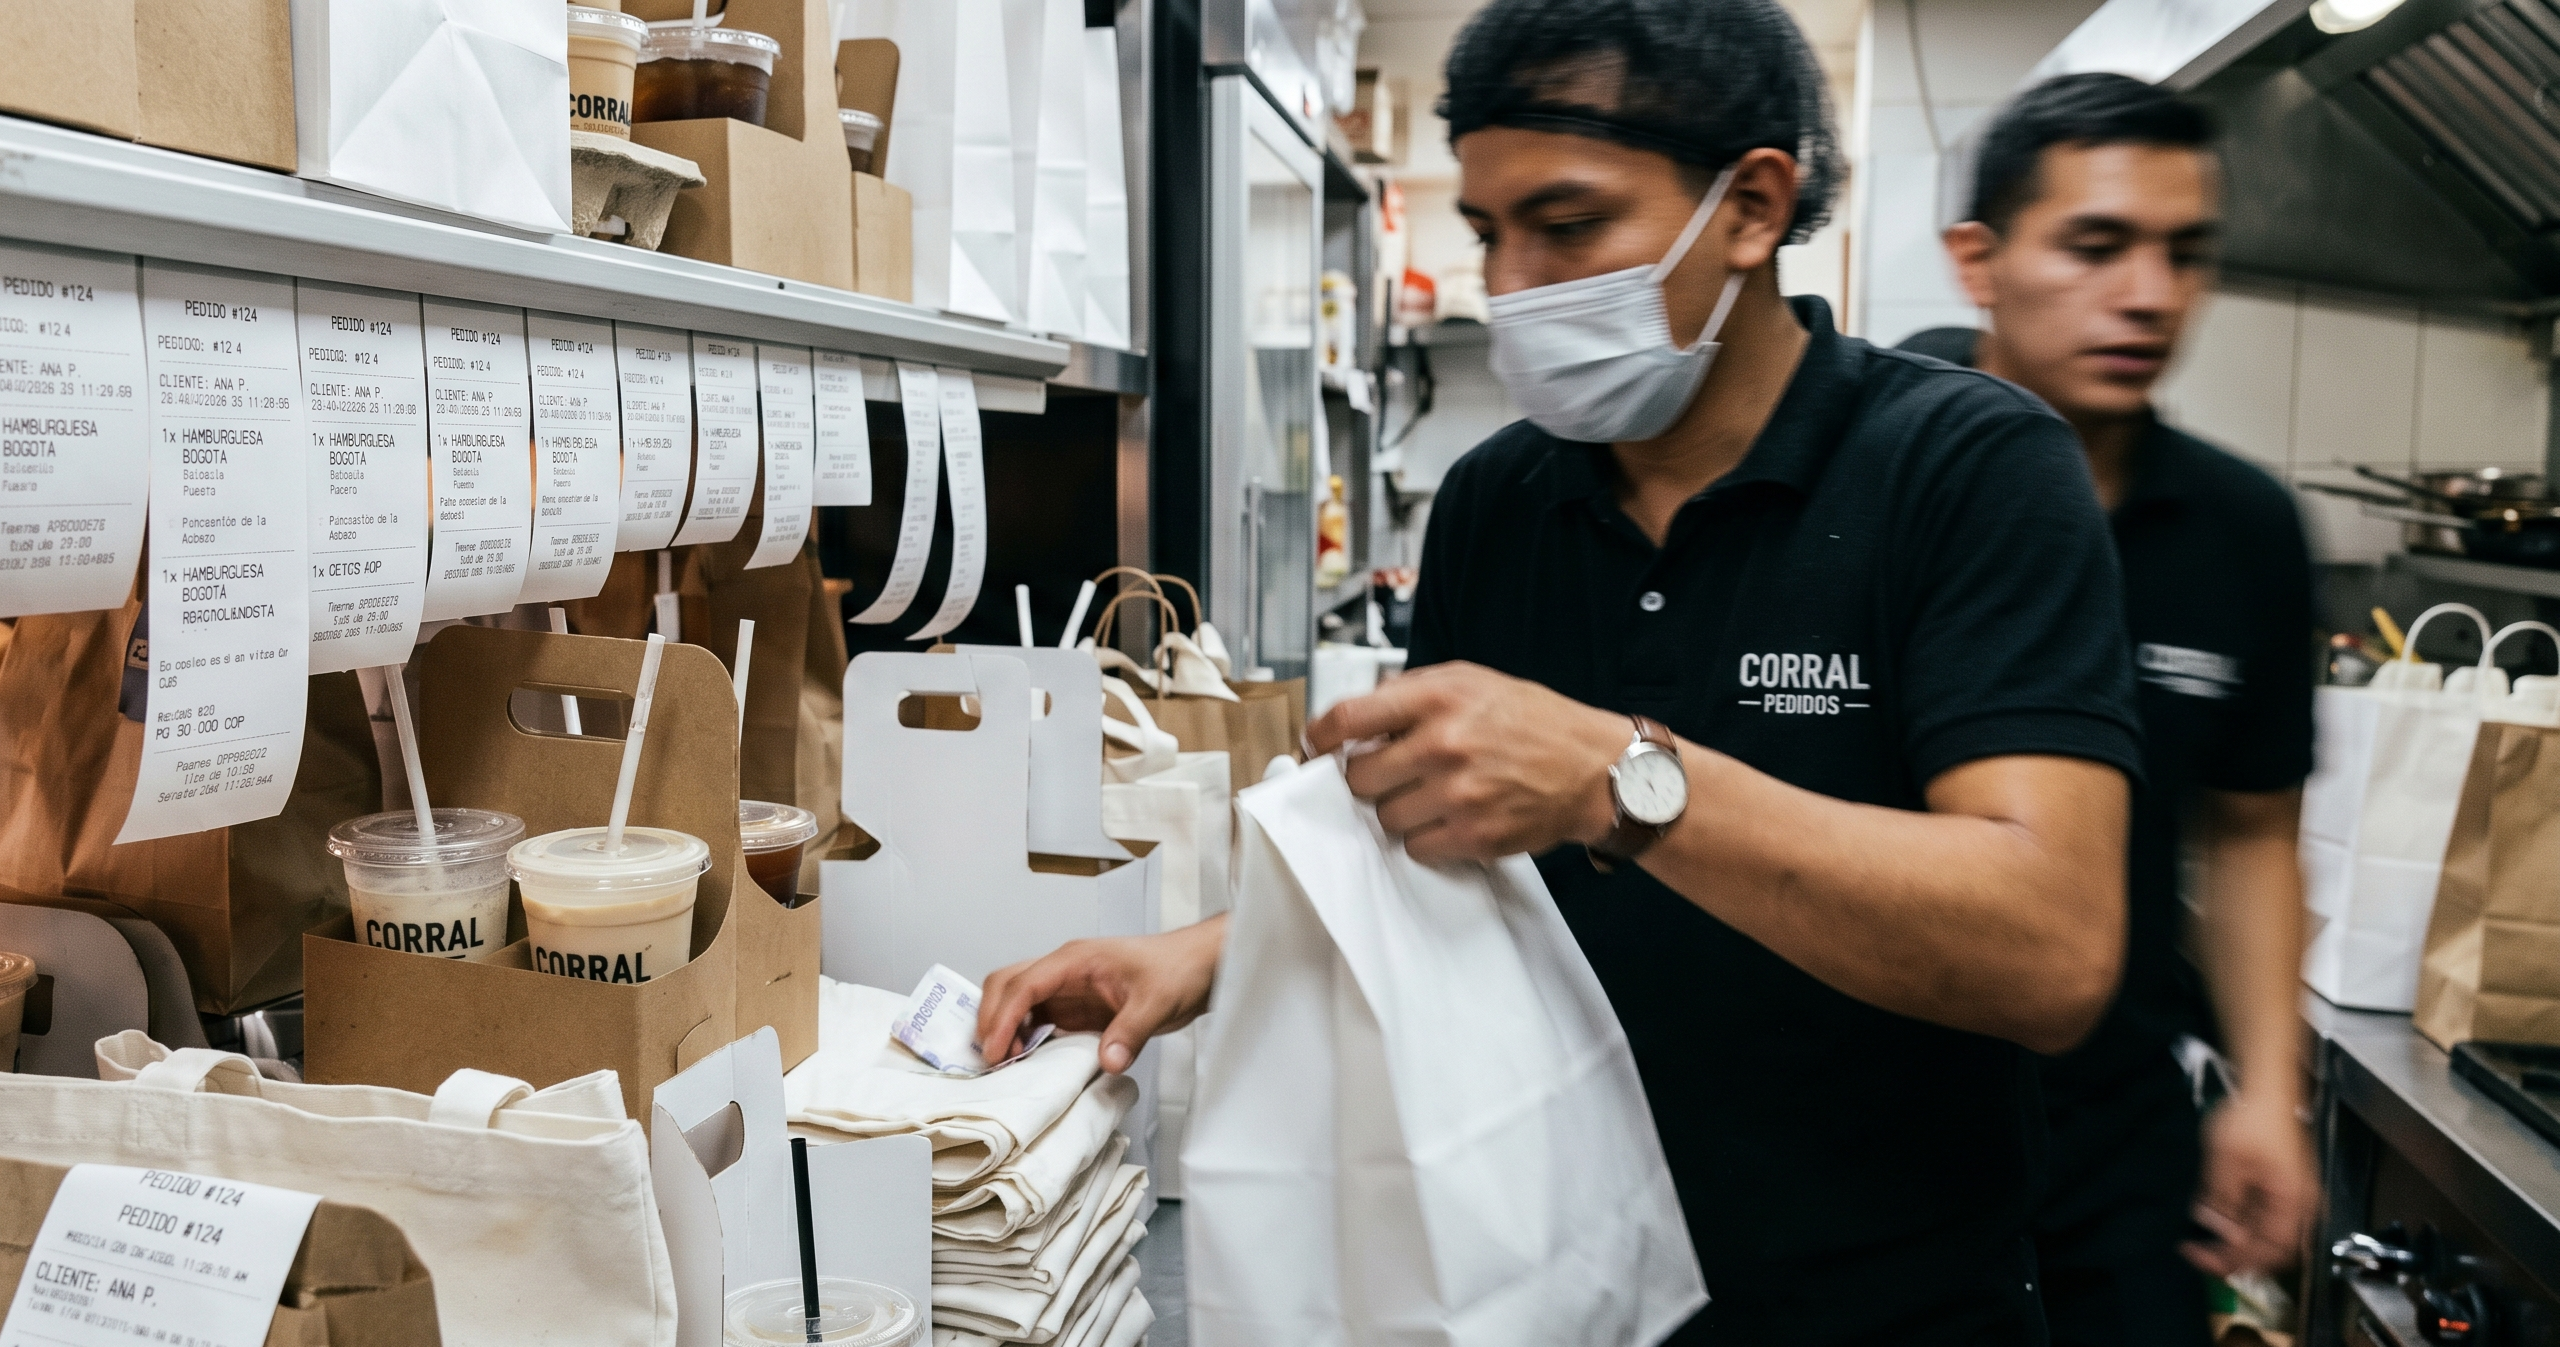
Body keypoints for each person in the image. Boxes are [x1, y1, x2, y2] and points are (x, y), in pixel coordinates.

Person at [979, 0, 2147, 1340]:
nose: (1516, 282)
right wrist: (1204, 956)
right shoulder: (1497, 500)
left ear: (1754, 206)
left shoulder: (1970, 469)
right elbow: (1454, 883)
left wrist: (1618, 779)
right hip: (1550, 1284)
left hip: (1883, 1302)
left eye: (1572, 224)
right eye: (1489, 232)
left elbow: (2049, 946)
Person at [1899, 74, 2319, 1346]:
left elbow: (2248, 829)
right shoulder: (1870, 452)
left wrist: (2266, 1096)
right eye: (2094, 246)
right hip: (1867, 1133)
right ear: (1977, 261)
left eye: (2183, 254)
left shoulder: (2239, 529)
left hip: (2118, 1147)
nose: (2147, 295)